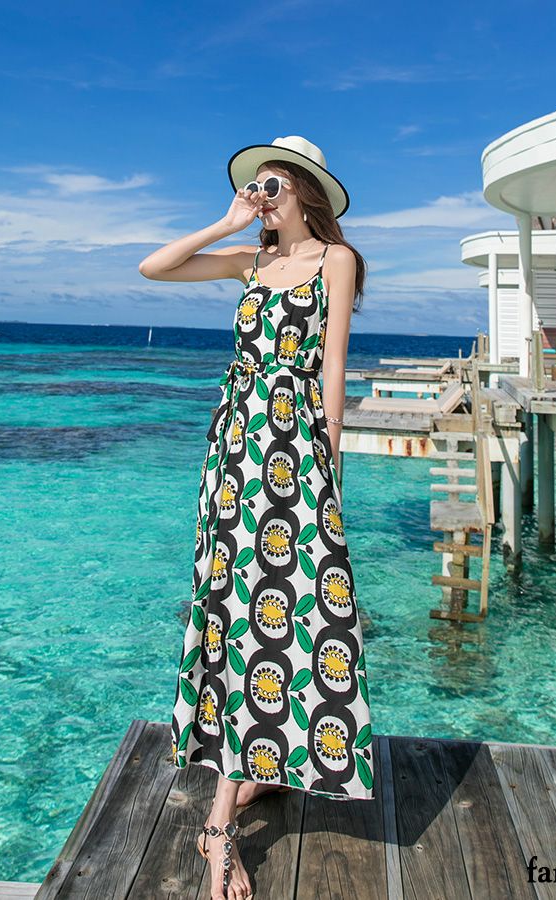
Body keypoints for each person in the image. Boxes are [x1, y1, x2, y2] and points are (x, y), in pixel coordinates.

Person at [139, 135, 375, 900]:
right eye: (256, 186)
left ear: (306, 189)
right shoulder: (250, 261)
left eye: (273, 185)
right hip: (236, 450)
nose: (264, 195)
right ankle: (221, 822)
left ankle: (261, 772)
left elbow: (332, 368)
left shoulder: (335, 262)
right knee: (234, 611)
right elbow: (155, 268)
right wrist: (225, 220)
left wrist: (328, 470)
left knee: (304, 610)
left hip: (295, 450)